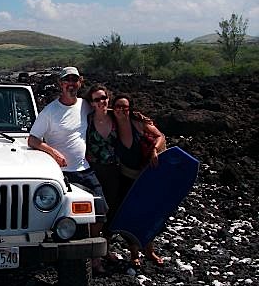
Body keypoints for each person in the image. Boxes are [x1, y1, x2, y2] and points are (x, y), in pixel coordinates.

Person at [28, 67, 107, 272]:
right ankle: (65, 258)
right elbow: (33, 139)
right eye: (66, 81)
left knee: (101, 212)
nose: (71, 84)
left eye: (74, 80)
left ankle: (90, 250)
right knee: (62, 218)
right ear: (60, 84)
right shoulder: (50, 111)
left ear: (80, 82)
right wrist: (53, 152)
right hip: (62, 174)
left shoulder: (85, 106)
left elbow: (106, 112)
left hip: (85, 169)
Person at [112, 93, 167, 267]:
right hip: (125, 178)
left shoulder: (138, 123)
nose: (122, 110)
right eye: (118, 106)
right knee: (130, 214)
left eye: (125, 107)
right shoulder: (110, 124)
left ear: (130, 109)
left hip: (145, 178)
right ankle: (134, 253)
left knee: (149, 213)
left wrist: (154, 151)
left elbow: (160, 136)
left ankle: (150, 250)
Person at [83, 84, 120, 263]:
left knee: (112, 211)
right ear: (91, 103)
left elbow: (139, 126)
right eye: (97, 99)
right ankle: (94, 254)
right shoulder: (86, 120)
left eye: (103, 98)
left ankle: (106, 247)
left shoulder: (116, 117)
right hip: (94, 170)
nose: (101, 102)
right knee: (98, 211)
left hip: (114, 170)